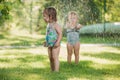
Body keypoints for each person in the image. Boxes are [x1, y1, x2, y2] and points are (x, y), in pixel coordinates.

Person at [43, 7, 62, 72]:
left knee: (55, 57)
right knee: (50, 58)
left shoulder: (56, 25)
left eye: (45, 16)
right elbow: (47, 34)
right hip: (49, 44)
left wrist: (58, 42)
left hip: (56, 45)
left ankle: (56, 71)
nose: (44, 18)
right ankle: (52, 70)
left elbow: (60, 34)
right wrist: (46, 41)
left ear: (50, 16)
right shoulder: (48, 25)